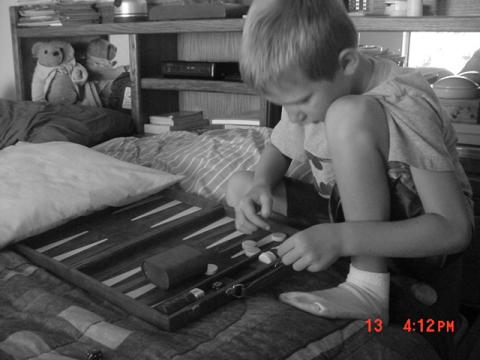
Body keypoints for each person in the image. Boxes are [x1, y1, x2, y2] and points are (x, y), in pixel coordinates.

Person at [226, 0, 473, 329]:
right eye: (283, 104)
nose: (294, 115)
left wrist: (341, 239)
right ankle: (339, 260)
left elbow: (454, 231)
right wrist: (260, 184)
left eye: (299, 102)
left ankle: (368, 286)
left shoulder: (404, 100)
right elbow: (279, 148)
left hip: (421, 241)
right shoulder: (311, 82)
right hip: (346, 214)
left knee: (345, 113)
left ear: (347, 64)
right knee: (241, 186)